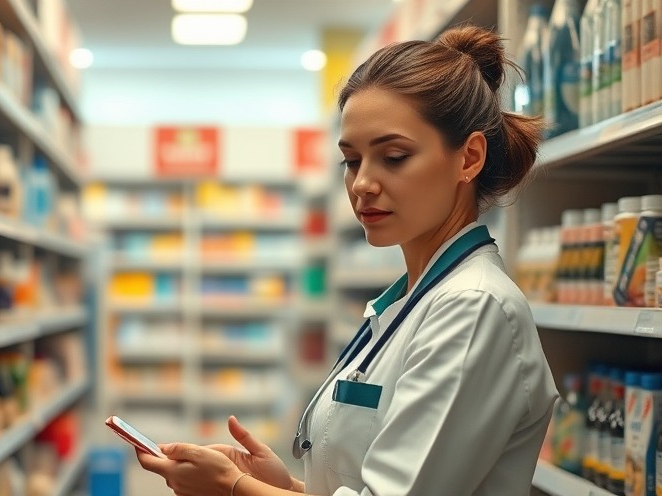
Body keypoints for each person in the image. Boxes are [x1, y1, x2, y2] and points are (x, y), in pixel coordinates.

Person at [137, 24, 559, 496]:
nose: (362, 184)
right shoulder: (411, 302)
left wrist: (235, 488)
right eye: (352, 161)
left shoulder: (474, 308)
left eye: (394, 157)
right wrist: (285, 486)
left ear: (469, 158)